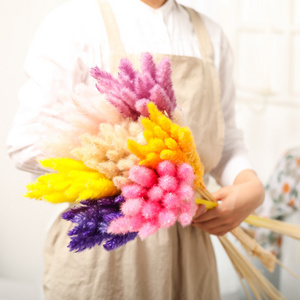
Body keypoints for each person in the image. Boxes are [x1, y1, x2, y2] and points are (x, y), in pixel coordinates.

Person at [7, 0, 265, 299]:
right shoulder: (73, 23)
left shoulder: (211, 36)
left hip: (190, 248)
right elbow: (25, 144)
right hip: (106, 250)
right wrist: (130, 168)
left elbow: (224, 138)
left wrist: (250, 185)